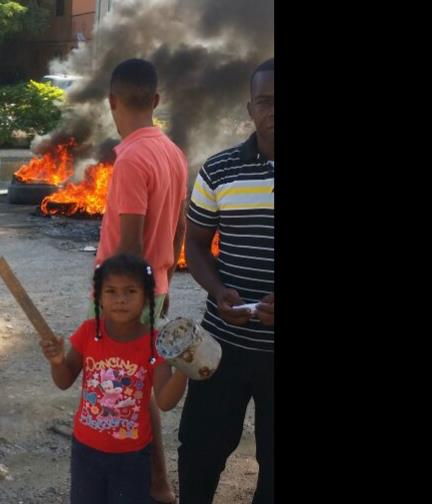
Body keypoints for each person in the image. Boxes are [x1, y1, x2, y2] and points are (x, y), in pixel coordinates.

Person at [179, 57, 274, 504]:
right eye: (265, 102)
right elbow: (196, 245)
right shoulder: (219, 171)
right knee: (199, 453)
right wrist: (218, 292)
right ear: (250, 108)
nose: (274, 110)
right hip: (222, 346)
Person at [96, 57, 189, 504]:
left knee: (129, 391)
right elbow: (180, 227)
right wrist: (164, 275)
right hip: (156, 288)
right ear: (155, 100)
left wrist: (119, 303)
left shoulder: (132, 159)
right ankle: (155, 482)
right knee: (141, 386)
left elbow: (129, 250)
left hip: (129, 297)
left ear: (112, 101)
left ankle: (155, 484)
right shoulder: (173, 153)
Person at [40, 254, 189, 503]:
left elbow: (164, 401)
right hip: (86, 450)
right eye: (111, 291)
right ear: (99, 296)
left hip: (132, 456)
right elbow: (64, 380)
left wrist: (184, 368)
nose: (120, 299)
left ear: (146, 297)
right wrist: (57, 362)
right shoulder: (89, 332)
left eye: (130, 291)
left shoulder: (155, 344)